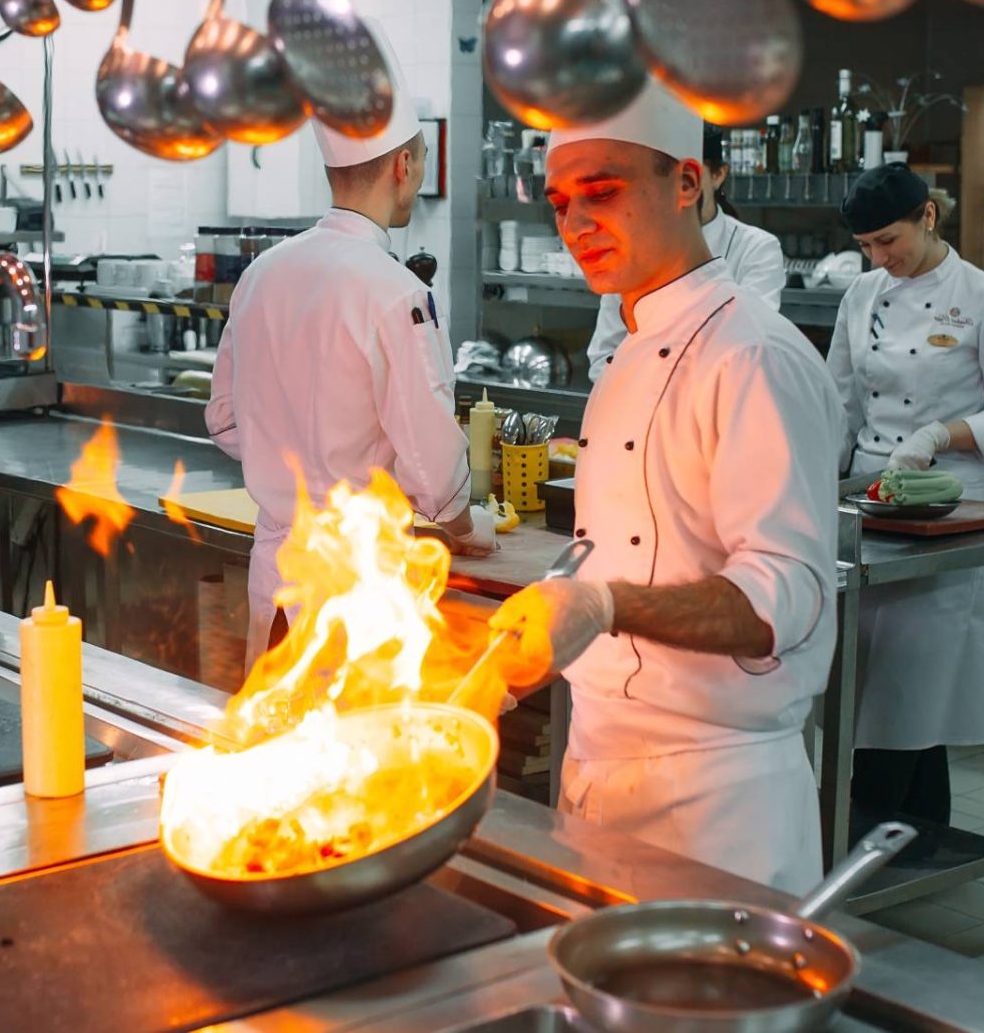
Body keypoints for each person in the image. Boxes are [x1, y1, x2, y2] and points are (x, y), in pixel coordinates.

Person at [485, 80, 843, 893]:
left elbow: (779, 598)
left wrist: (603, 607)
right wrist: (530, 638)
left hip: (716, 800)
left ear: (688, 184)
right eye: (560, 202)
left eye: (602, 194)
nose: (576, 225)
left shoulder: (753, 355)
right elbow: (613, 550)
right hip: (600, 766)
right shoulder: (626, 352)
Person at [207, 45, 497, 668]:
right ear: (404, 165)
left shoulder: (261, 274)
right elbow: (435, 471)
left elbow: (225, 421)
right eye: (421, 164)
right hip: (355, 591)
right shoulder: (397, 291)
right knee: (357, 758)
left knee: (280, 751)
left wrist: (290, 465)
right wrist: (469, 528)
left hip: (277, 578)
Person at [827, 163, 984, 828]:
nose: (879, 258)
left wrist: (938, 435)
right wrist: (816, 484)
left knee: (914, 679)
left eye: (888, 240)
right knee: (874, 682)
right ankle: (917, 832)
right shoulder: (860, 295)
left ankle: (871, 827)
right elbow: (840, 400)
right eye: (866, 245)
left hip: (950, 506)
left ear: (928, 215)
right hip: (869, 502)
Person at [586, 124, 785, 381]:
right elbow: (603, 359)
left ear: (718, 174)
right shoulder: (631, 252)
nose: (678, 188)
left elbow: (749, 350)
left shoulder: (756, 249)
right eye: (666, 175)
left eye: (690, 174)